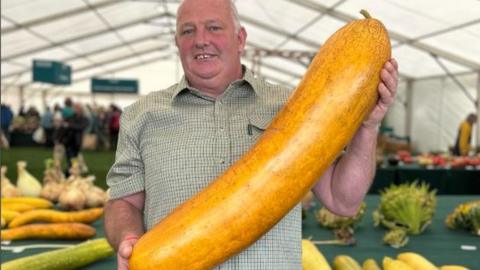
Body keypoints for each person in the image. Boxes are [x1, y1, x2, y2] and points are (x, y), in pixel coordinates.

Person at [104, 0, 399, 269]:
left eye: (214, 28)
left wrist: (368, 126)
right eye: (188, 31)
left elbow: (342, 200)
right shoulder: (140, 116)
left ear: (240, 38)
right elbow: (123, 202)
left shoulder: (295, 108)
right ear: (177, 42)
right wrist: (129, 238)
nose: (201, 40)